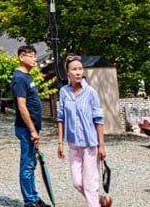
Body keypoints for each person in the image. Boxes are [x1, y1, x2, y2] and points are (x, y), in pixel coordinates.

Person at [57, 54, 110, 207]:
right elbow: (61, 118)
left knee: (90, 184)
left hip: (90, 145)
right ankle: (101, 200)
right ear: (68, 72)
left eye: (80, 69)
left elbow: (98, 120)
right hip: (73, 144)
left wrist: (101, 145)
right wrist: (60, 143)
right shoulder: (64, 92)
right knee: (77, 182)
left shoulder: (91, 93)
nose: (78, 72)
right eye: (74, 69)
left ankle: (95, 202)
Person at [11, 44, 47, 207]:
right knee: (27, 164)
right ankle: (29, 201)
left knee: (32, 163)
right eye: (30, 55)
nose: (34, 59)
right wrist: (32, 129)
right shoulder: (19, 78)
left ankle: (34, 197)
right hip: (26, 129)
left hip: (32, 128)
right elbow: (22, 106)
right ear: (21, 57)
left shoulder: (28, 77)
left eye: (34, 55)